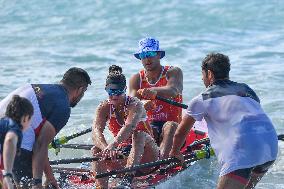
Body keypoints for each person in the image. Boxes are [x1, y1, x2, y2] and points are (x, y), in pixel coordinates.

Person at [169, 53, 278, 189]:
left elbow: (180, 133)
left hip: (242, 150)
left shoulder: (202, 99)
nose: (202, 78)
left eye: (202, 74)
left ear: (209, 74)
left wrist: (175, 152)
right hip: (269, 145)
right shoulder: (247, 90)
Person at [0, 67, 91, 189]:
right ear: (80, 90)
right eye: (84, 92)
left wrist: (49, 176)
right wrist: (37, 181)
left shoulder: (34, 87)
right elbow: (40, 146)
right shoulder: (63, 106)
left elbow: (40, 145)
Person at [92, 65, 159, 189]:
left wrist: (114, 144)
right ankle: (101, 186)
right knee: (96, 149)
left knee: (138, 135)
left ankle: (126, 182)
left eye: (118, 92)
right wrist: (106, 148)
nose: (114, 96)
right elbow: (95, 131)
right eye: (110, 92)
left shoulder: (135, 104)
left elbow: (129, 126)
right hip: (124, 157)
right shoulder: (104, 107)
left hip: (147, 158)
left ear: (125, 90)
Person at [129, 37, 183, 159]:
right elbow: (130, 104)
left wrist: (154, 91)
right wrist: (142, 104)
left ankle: (162, 162)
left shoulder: (173, 72)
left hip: (173, 127)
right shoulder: (136, 79)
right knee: (138, 132)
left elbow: (174, 90)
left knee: (170, 126)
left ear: (159, 55)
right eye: (143, 55)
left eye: (151, 53)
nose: (147, 58)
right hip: (150, 126)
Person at [0, 95, 33, 189]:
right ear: (25, 118)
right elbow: (10, 140)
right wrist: (8, 174)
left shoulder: (4, 122)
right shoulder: (15, 128)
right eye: (31, 119)